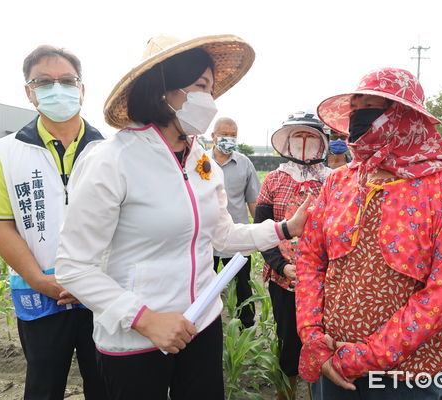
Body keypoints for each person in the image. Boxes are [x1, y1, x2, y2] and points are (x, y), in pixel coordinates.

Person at [53, 34, 308, 400]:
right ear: (164, 90)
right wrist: (145, 319)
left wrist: (286, 229)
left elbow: (219, 235)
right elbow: (73, 265)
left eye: (211, 88)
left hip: (201, 325)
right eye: (201, 86)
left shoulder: (200, 160)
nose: (211, 100)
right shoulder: (111, 160)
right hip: (136, 338)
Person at [295, 67, 442, 400]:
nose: (358, 116)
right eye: (355, 107)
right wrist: (313, 337)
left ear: (403, 115)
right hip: (331, 362)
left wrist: (367, 356)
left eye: (371, 105)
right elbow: (310, 259)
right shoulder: (339, 182)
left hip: (407, 375)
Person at [0, 45, 107, 400]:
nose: (57, 89)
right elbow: (1, 224)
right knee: (43, 384)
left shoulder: (110, 151)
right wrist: (40, 280)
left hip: (101, 292)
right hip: (39, 293)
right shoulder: (5, 152)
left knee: (107, 383)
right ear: (29, 92)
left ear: (82, 89)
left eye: (67, 81)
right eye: (44, 82)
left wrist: (93, 281)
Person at [254, 111, 331, 399]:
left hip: (326, 281)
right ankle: (286, 393)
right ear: (286, 141)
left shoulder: (334, 180)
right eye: (297, 136)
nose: (303, 142)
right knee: (289, 341)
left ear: (322, 141)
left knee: (323, 341)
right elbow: (262, 231)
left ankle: (320, 392)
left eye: (310, 136)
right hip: (284, 279)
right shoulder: (274, 180)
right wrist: (282, 266)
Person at [210, 116, 260, 329]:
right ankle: (207, 327)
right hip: (207, 238)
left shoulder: (244, 163)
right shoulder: (200, 162)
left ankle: (247, 328)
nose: (228, 139)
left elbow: (253, 201)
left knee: (243, 286)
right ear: (213, 136)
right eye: (224, 135)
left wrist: (259, 233)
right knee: (205, 288)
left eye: (233, 135)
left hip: (237, 237)